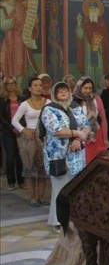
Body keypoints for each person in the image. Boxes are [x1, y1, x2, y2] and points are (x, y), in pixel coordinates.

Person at [41, 81, 90, 265]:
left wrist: (80, 137)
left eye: (65, 90)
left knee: (75, 192)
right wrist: (76, 134)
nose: (62, 93)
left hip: (77, 155)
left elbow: (86, 125)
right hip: (58, 157)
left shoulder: (76, 108)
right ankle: (60, 224)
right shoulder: (49, 110)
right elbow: (57, 130)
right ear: (54, 93)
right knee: (61, 193)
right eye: (59, 91)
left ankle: (72, 221)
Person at [11, 76, 50, 207]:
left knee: (43, 168)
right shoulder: (25, 104)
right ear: (30, 88)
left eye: (40, 85)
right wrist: (24, 130)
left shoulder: (48, 102)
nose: (39, 87)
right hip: (30, 137)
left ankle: (41, 197)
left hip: (44, 136)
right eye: (35, 85)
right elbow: (14, 121)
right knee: (30, 167)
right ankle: (32, 198)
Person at [72, 77, 108, 165]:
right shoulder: (73, 101)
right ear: (80, 88)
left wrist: (105, 138)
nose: (88, 91)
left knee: (98, 163)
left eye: (90, 88)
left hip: (96, 135)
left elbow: (103, 119)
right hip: (81, 136)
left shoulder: (97, 99)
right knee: (85, 163)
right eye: (85, 88)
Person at [75, 0, 109, 85]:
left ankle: (100, 88)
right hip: (88, 52)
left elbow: (106, 38)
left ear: (98, 10)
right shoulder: (85, 23)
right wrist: (79, 23)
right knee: (89, 71)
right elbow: (80, 36)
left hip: (99, 52)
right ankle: (89, 88)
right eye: (91, 9)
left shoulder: (101, 23)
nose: (93, 11)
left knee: (99, 70)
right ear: (88, 11)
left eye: (95, 9)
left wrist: (100, 41)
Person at [0, 77, 26, 190]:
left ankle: (21, 181)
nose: (10, 85)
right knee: (10, 157)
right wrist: (12, 128)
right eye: (7, 84)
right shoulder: (2, 100)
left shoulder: (22, 98)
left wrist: (20, 127)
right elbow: (1, 117)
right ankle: (11, 182)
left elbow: (25, 114)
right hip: (8, 131)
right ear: (5, 86)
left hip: (20, 130)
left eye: (12, 83)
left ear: (16, 84)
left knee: (20, 156)